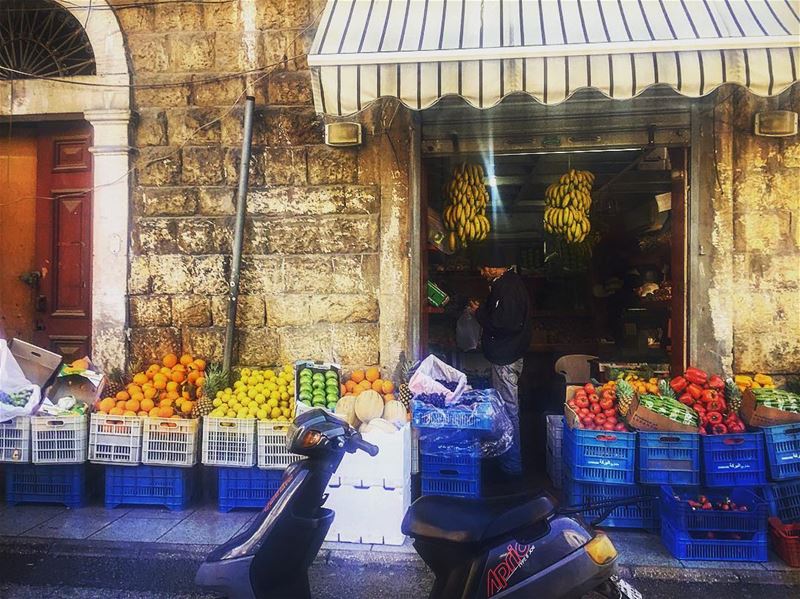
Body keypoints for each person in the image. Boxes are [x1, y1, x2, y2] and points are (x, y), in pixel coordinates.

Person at [468, 244, 533, 478]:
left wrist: (479, 314)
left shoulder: (508, 288)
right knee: (505, 407)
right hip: (506, 355)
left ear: (495, 269)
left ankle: (512, 465)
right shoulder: (505, 285)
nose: (482, 271)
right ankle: (507, 458)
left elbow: (504, 322)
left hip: (507, 358)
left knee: (507, 409)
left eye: (485, 267)